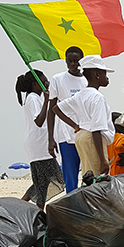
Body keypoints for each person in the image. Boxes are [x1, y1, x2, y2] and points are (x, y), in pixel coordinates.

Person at [53, 55, 115, 178]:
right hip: (93, 138)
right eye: (104, 74)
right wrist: (103, 160)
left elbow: (56, 108)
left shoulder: (81, 94)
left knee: (88, 175)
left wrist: (75, 126)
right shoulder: (98, 97)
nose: (107, 78)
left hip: (81, 136)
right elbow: (97, 129)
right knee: (97, 177)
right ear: (97, 75)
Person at [16, 70, 65, 209]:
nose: (47, 85)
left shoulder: (35, 97)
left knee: (45, 179)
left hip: (40, 142)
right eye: (44, 82)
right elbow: (39, 120)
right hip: (37, 144)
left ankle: (29, 207)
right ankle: (24, 206)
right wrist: (46, 100)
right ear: (34, 84)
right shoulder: (32, 98)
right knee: (47, 179)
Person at [47, 46, 87, 193]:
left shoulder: (87, 80)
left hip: (86, 133)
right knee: (70, 176)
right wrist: (50, 138)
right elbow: (52, 110)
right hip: (65, 135)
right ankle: (72, 206)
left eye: (76, 61)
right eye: (70, 61)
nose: (73, 64)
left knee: (89, 173)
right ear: (66, 61)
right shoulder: (57, 79)